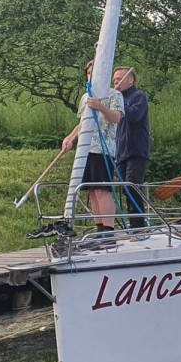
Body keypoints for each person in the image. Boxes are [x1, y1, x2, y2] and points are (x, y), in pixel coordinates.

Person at [61, 61, 125, 233]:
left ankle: (108, 231)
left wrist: (100, 106)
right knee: (90, 190)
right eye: (89, 73)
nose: (91, 77)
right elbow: (82, 123)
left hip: (103, 150)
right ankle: (100, 228)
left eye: (94, 73)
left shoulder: (114, 95)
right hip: (85, 149)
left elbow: (116, 118)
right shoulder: (84, 97)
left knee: (101, 189)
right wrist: (70, 138)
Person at [112, 66, 148, 230]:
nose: (116, 82)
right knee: (124, 189)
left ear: (130, 79)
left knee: (132, 187)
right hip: (120, 151)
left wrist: (118, 103)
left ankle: (138, 225)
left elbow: (134, 116)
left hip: (135, 149)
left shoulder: (138, 96)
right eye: (114, 79)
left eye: (119, 78)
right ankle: (131, 223)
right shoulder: (116, 98)